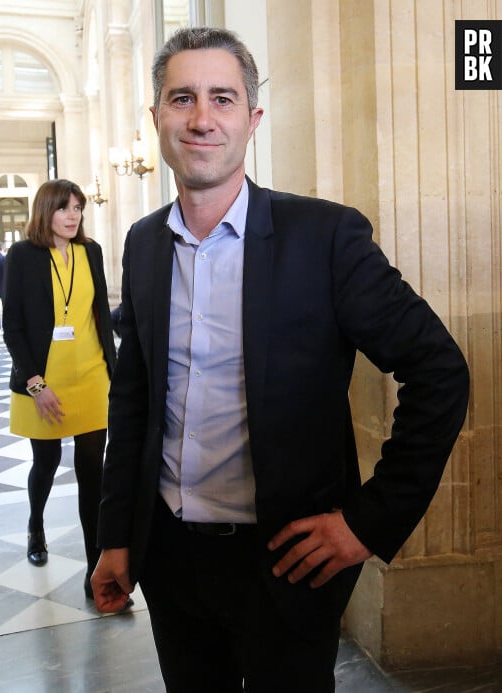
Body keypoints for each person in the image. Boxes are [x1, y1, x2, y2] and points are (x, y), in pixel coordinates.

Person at [92, 27, 470, 692]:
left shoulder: (323, 238)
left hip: (287, 559)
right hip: (171, 558)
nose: (202, 118)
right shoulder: (143, 244)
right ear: (156, 119)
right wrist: (116, 533)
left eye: (222, 98)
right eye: (182, 98)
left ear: (252, 119)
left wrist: (367, 520)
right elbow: (135, 398)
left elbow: (439, 371)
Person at [2, 179, 127, 603]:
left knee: (94, 473)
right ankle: (36, 525)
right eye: (65, 208)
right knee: (47, 461)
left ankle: (96, 573)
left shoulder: (89, 251)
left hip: (92, 375)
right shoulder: (23, 256)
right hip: (44, 380)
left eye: (78, 208)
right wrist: (36, 383)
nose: (73, 216)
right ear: (46, 211)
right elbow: (13, 325)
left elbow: (97, 315)